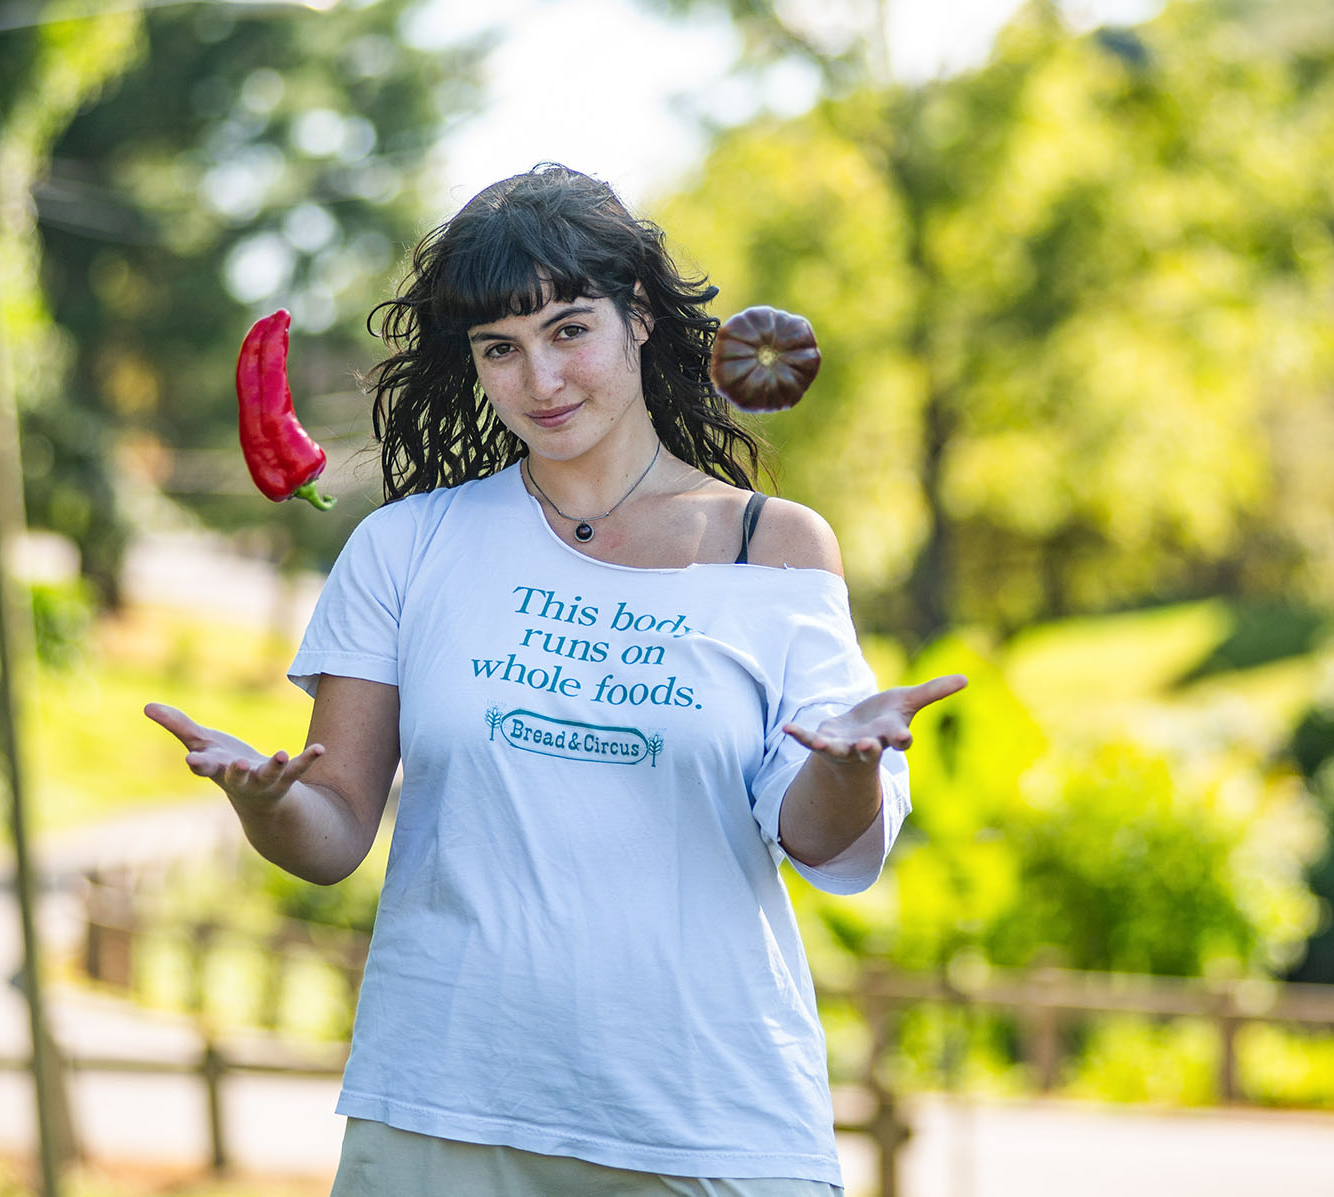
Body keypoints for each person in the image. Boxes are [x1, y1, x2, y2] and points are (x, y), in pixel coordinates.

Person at [145, 163, 965, 1196]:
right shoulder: (407, 547)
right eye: (502, 349)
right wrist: (263, 804)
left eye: (570, 329)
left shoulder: (773, 546)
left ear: (641, 320)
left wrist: (849, 763)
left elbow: (817, 835)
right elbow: (335, 826)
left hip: (709, 1121)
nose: (541, 381)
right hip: (443, 1114)